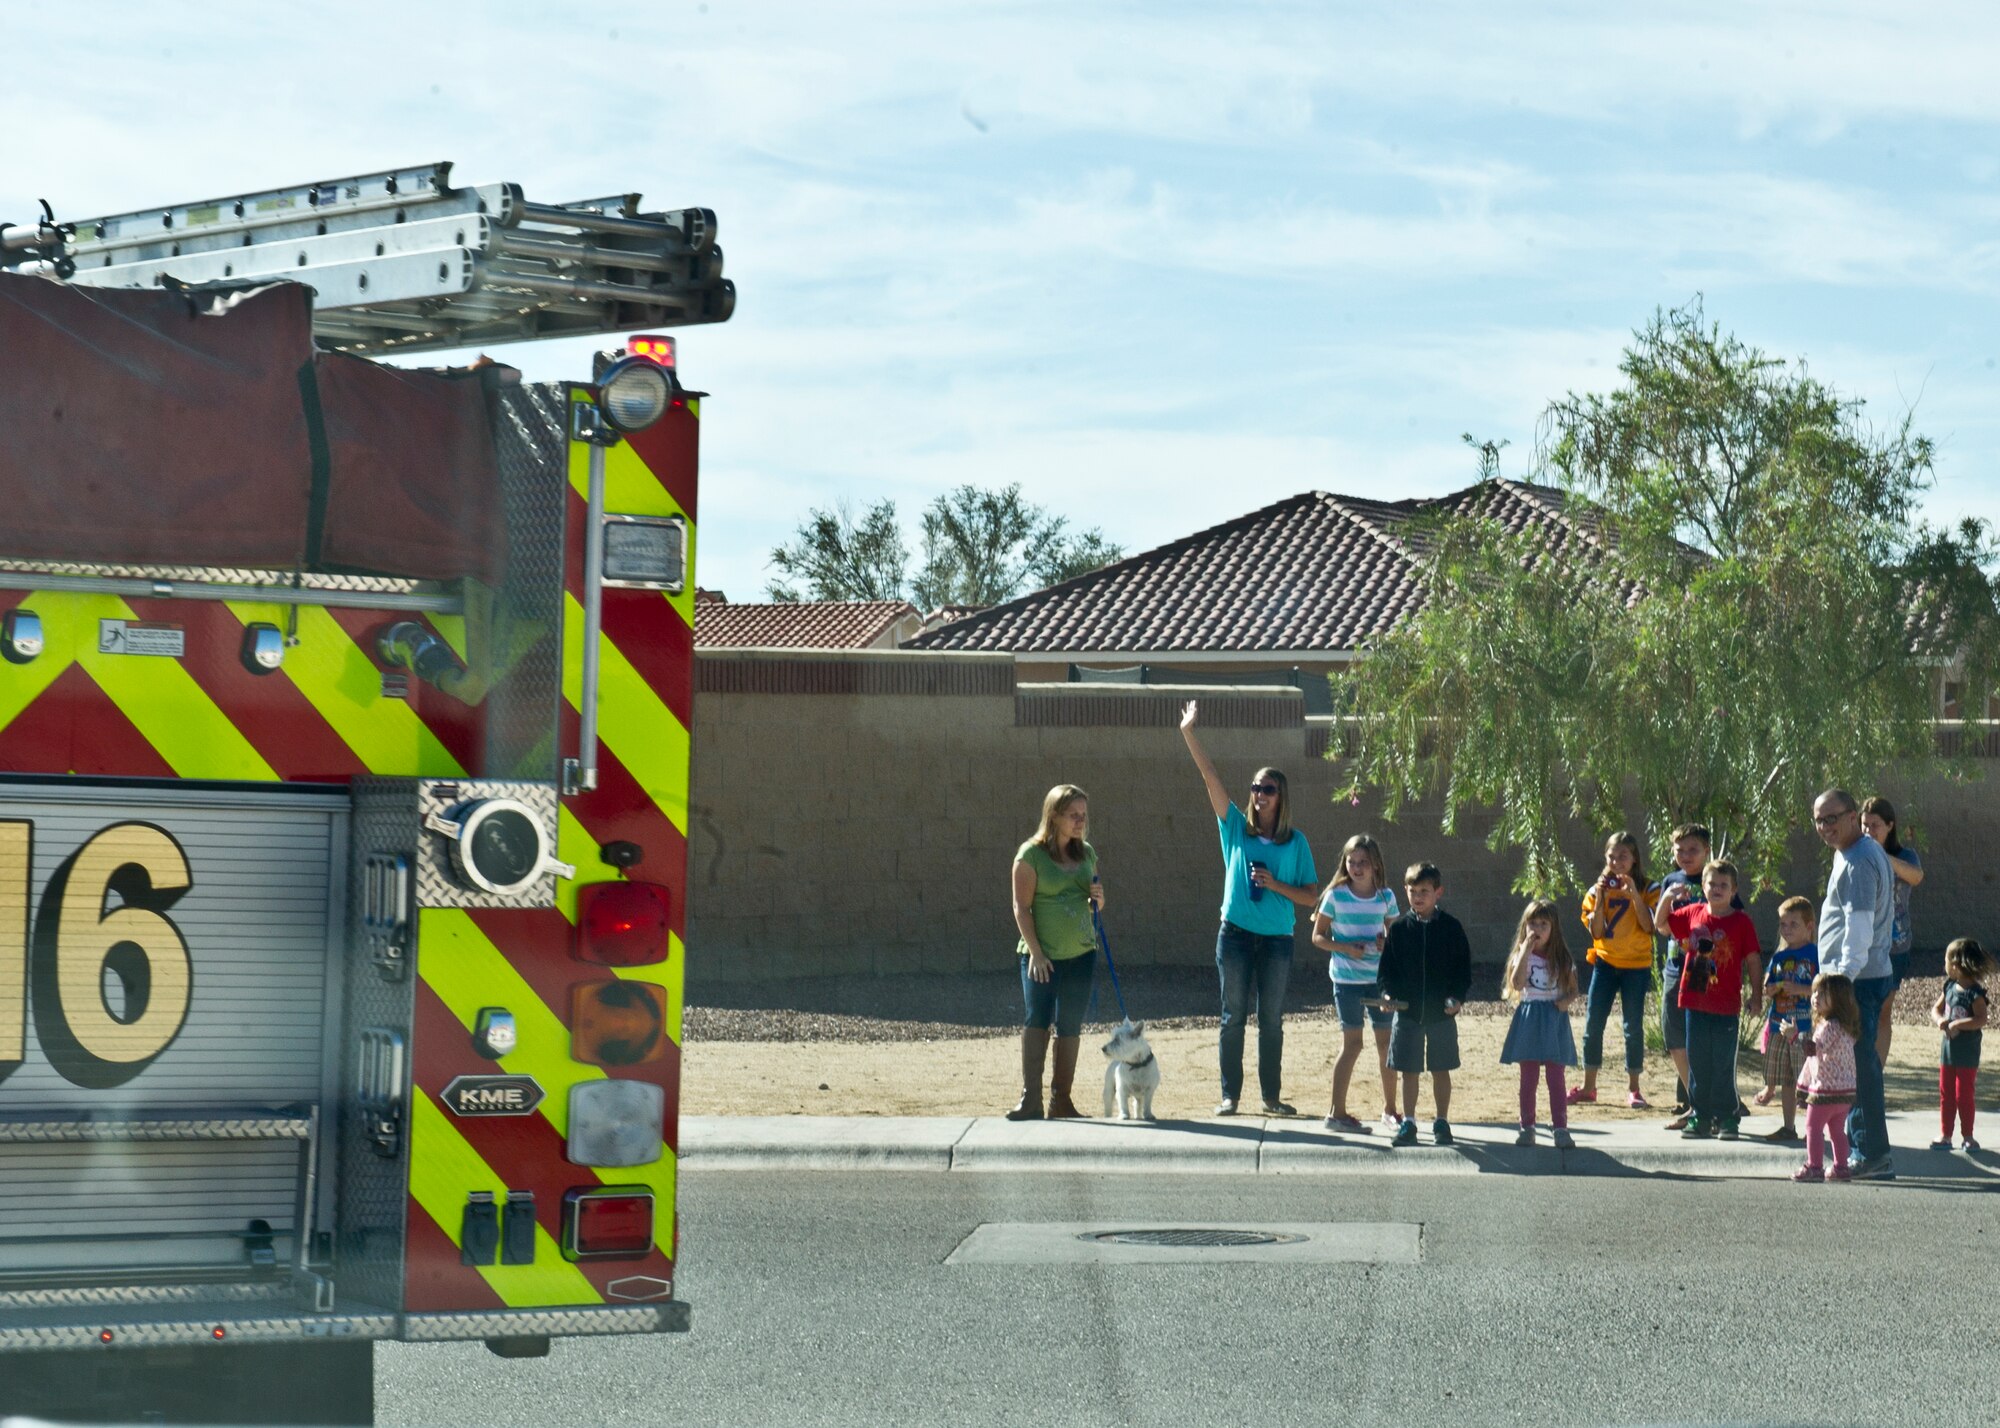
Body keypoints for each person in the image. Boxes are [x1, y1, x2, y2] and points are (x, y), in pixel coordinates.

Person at [1180, 701, 1318, 1116]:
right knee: (1232, 1017)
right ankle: (1230, 1095)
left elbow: (1312, 896)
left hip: (1277, 939)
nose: (1259, 795)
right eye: (1256, 788)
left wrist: (1275, 885)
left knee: (1271, 1020)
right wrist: (1189, 732)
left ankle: (1271, 1098)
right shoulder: (1236, 827)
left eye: (1268, 789)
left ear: (1281, 797)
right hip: (1235, 936)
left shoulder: (1296, 843)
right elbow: (1210, 777)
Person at [1812, 787, 1897, 1179]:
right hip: (1860, 977)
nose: (1825, 826)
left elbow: (1859, 927)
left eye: (1832, 818)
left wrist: (1841, 980)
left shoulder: (1860, 860)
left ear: (1852, 816)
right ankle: (1863, 1149)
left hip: (1857, 982)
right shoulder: (1850, 853)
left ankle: (1870, 1154)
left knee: (1858, 1070)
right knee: (1860, 1067)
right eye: (1819, 820)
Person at [1006, 784, 1102, 1120]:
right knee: (1038, 1018)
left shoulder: (1086, 853)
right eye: (1073, 815)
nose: (1080, 822)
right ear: (1054, 816)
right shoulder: (1030, 855)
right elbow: (1021, 908)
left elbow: (1093, 903)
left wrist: (1098, 900)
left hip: (1081, 952)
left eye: (1083, 816)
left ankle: (1061, 1100)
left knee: (1070, 1023)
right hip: (1041, 957)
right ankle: (1030, 1099)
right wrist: (1036, 953)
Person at [1661, 859, 1762, 1140]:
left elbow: (1753, 959)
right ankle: (1700, 1115)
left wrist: (1756, 994)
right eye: (1711, 884)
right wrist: (1667, 899)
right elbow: (1662, 925)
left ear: (1734, 890)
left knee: (1722, 1062)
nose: (1717, 889)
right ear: (1702, 886)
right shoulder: (1692, 913)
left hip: (1726, 1005)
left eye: (1723, 885)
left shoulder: (1742, 922)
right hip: (1695, 1001)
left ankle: (1727, 1116)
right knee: (1699, 1062)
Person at [1652, 824, 1741, 1129]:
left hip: (1713, 976)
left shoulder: (1722, 880)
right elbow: (1662, 927)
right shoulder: (1671, 881)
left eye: (1693, 850)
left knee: (1712, 1043)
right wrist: (1667, 898)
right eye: (1680, 850)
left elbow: (1734, 927)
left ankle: (1716, 1107)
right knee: (1676, 1036)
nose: (1685, 856)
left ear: (1706, 851)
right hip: (1678, 968)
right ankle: (1696, 1104)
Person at [1377, 862, 1472, 1147]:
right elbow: (1387, 971)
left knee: (1440, 1068)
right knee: (1409, 1070)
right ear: (1405, 891)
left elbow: (1463, 971)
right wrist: (1386, 995)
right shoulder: (1399, 930)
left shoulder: (1451, 928)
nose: (1418, 897)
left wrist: (1457, 998)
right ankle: (1409, 1122)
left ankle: (1442, 1122)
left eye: (1424, 891)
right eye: (1413, 891)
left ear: (1438, 892)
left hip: (1441, 1013)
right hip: (1407, 1013)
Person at [1311, 834, 1401, 1133]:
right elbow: (1318, 936)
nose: (1357, 867)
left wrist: (1384, 942)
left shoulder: (1386, 897)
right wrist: (1347, 948)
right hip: (1347, 981)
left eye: (1363, 862)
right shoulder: (1336, 896)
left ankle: (1390, 1110)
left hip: (1379, 982)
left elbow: (1397, 941)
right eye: (1352, 861)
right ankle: (1336, 1112)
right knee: (1352, 1044)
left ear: (1375, 864)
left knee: (1385, 1044)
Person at [1574, 831, 1657, 1109]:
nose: (1617, 861)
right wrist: (1600, 898)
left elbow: (1649, 927)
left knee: (1633, 1027)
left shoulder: (1649, 888)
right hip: (1606, 964)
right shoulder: (1595, 891)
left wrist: (1632, 891)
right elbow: (1596, 931)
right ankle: (1589, 1086)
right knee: (1592, 1024)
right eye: (1612, 856)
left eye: (1623, 856)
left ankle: (1634, 1088)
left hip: (1636, 966)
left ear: (1634, 859)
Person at [1500, 900, 1581, 1148]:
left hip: (1553, 1019)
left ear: (1553, 928)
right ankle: (1527, 1127)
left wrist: (1565, 1002)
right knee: (1529, 1077)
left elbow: (1573, 990)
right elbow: (1517, 983)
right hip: (1529, 1018)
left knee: (1556, 1078)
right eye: (1532, 923)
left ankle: (1560, 1128)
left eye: (1543, 924)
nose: (1537, 928)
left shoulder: (1562, 958)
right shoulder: (1521, 956)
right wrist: (1525, 950)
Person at [1861, 797, 1924, 1067]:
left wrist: (1881, 856)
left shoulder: (1905, 855)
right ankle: (1856, 1073)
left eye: (1875, 825)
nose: (1868, 831)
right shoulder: (1857, 853)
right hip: (1864, 945)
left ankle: (1876, 1071)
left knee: (1884, 1011)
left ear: (1890, 825)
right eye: (1864, 825)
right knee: (1861, 1011)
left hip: (1896, 945)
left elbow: (1916, 877)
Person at [1755, 898, 1819, 1144]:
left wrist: (1801, 989)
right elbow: (1768, 982)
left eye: (1794, 924)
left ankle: (1814, 1129)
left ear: (1809, 925)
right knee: (1787, 1080)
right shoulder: (1780, 955)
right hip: (1779, 1023)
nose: (1787, 929)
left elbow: (1821, 987)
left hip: (1804, 1026)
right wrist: (1770, 989)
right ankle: (1788, 1126)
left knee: (1809, 1079)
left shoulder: (1815, 954)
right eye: (1783, 924)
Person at [1793, 973, 1862, 1183]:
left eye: (1822, 994)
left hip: (1825, 1090)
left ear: (1838, 999)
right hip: (1845, 1092)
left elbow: (1812, 1050)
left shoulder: (1829, 1027)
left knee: (1813, 1128)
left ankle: (1814, 1166)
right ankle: (1841, 1167)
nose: (1815, 997)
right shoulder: (1846, 1027)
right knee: (1837, 1131)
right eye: (1814, 992)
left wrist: (1793, 1035)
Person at [1931, 937, 1989, 1152]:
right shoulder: (1949, 987)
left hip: (1967, 1055)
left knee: (1963, 1095)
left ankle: (1968, 1136)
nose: (1944, 964)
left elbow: (1981, 1019)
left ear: (1956, 964)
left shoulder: (1975, 993)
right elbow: (1936, 1009)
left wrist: (1957, 1024)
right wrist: (1940, 1021)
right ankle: (1946, 1135)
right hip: (1947, 1054)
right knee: (1946, 1094)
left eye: (1946, 959)